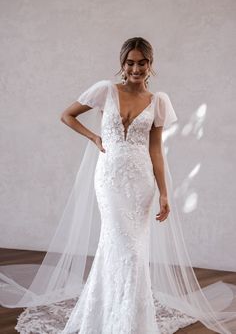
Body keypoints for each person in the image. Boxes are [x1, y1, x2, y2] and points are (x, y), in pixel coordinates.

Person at [1, 37, 236, 333]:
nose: (136, 68)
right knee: (118, 245)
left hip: (141, 183)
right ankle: (110, 315)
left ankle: (130, 321)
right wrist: (94, 137)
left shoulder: (158, 102)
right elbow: (66, 115)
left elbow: (156, 151)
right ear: (122, 64)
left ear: (150, 65)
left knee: (133, 251)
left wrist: (164, 192)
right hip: (110, 179)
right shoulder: (105, 91)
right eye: (130, 62)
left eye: (142, 62)